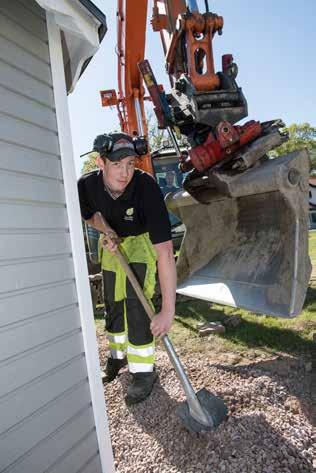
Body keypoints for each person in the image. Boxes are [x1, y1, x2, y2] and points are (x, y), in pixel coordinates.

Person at [78, 132, 177, 405]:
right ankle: (116, 357)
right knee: (113, 301)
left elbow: (165, 253)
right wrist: (106, 229)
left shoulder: (146, 188)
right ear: (101, 162)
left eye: (131, 164)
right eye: (117, 165)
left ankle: (144, 371)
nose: (125, 173)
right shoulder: (86, 185)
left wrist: (168, 310)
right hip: (111, 244)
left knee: (137, 304)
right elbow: (89, 215)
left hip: (141, 244)